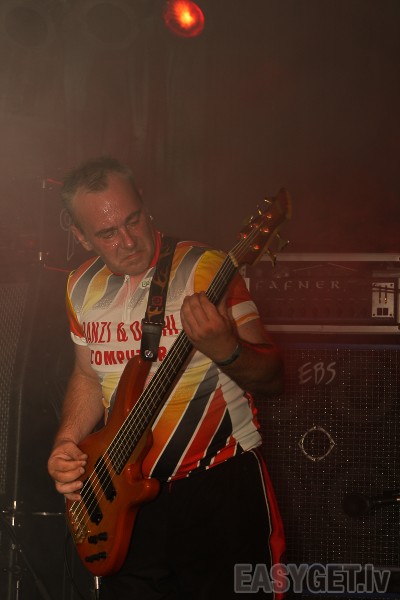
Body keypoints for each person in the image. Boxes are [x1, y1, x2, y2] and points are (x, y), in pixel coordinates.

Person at [47, 156, 286, 600]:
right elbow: (87, 375)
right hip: (125, 500)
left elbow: (273, 376)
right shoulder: (79, 285)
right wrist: (66, 442)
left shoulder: (204, 267)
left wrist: (227, 350)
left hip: (217, 486)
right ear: (80, 236)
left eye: (133, 220)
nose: (128, 241)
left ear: (144, 203)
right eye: (107, 233)